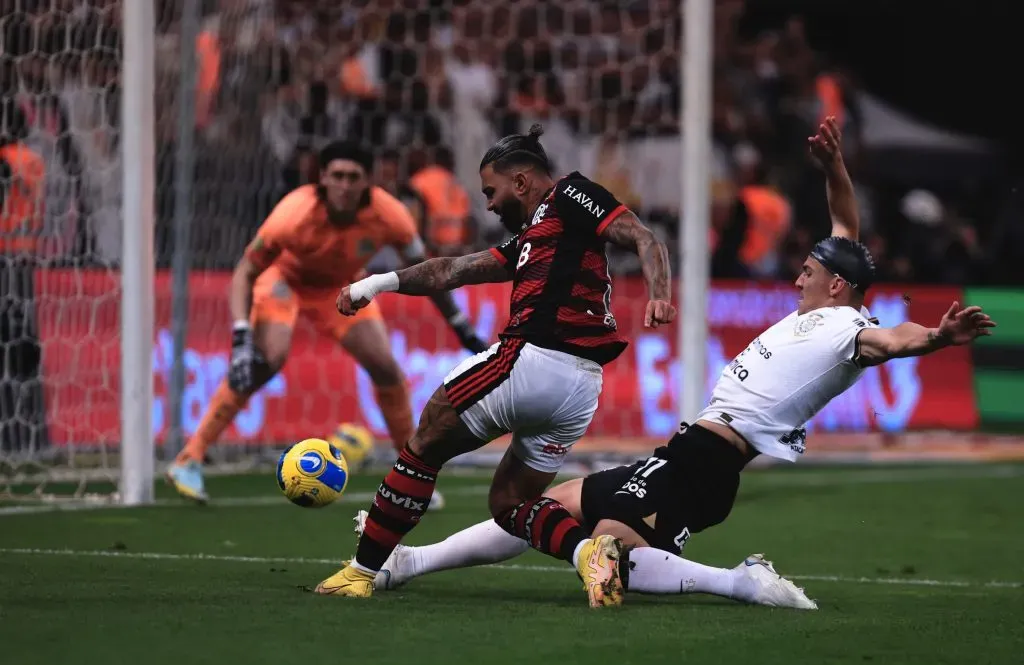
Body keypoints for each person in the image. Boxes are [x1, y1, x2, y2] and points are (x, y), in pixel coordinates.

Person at [331, 117, 996, 609]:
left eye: (810, 269)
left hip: (710, 459)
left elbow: (892, 339)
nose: (797, 274)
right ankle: (410, 560)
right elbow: (846, 228)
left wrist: (935, 338)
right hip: (683, 446)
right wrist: (834, 170)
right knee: (541, 507)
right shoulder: (820, 306)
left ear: (839, 287)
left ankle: (738, 582)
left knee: (613, 550)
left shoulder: (852, 327)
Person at [316, 124, 676, 607]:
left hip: (536, 357)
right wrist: (375, 284)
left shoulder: (569, 194)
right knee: (510, 505)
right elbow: (452, 270)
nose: (487, 204)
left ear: (522, 182)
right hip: (580, 389)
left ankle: (362, 571)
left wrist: (660, 294)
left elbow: (641, 235)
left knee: (428, 434)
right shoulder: (535, 236)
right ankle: (588, 555)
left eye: (491, 191)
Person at [166, 140, 489, 503]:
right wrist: (241, 337)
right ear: (322, 177)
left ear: (369, 181)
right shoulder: (294, 213)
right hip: (285, 281)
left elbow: (430, 274)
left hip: (343, 288)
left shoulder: (391, 215)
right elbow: (245, 272)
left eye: (354, 177)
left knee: (388, 371)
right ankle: (189, 458)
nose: (345, 185)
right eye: (337, 175)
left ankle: (408, 478)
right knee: (265, 362)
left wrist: (460, 325)